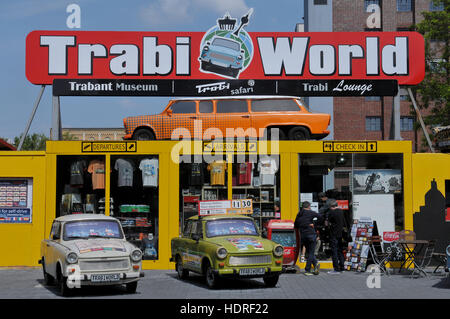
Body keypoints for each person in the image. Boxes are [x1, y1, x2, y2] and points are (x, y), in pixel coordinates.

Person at [294, 201, 323, 275]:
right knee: (311, 252)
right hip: (310, 234)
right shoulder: (311, 212)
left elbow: (296, 224)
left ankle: (315, 263)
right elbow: (320, 217)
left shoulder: (299, 213)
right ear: (309, 206)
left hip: (303, 235)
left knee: (309, 252)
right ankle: (307, 269)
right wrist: (314, 224)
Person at [327, 199, 345, 274]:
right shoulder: (341, 211)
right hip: (340, 234)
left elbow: (329, 221)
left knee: (334, 251)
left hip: (333, 234)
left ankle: (336, 269)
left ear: (331, 206)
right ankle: (342, 267)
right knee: (340, 250)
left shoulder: (332, 212)